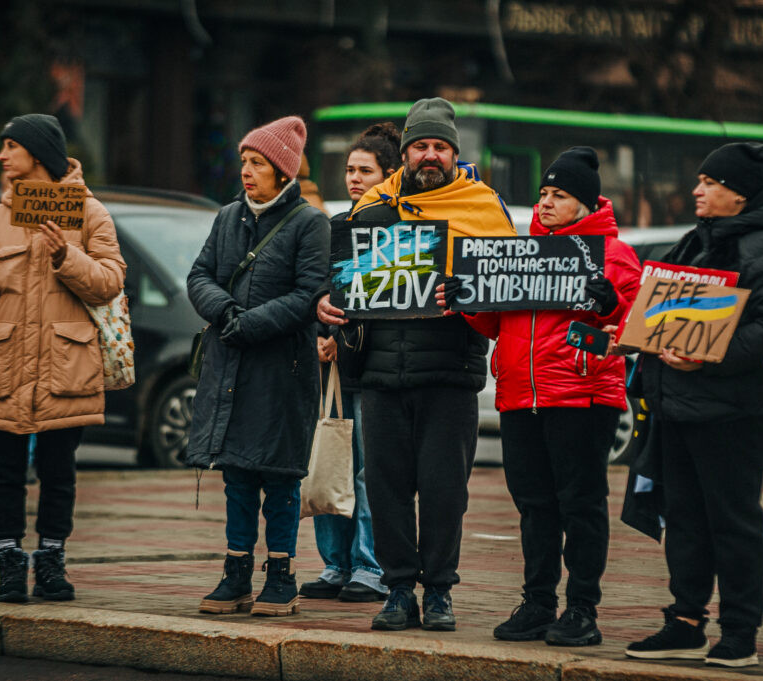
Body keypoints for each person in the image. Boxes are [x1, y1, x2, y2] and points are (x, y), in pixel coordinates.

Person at [316, 97, 516, 632]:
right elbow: (339, 283)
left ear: (455, 153)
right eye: (420, 146)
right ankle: (398, 589)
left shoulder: (483, 206)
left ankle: (441, 592)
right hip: (380, 376)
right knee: (386, 490)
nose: (430, 155)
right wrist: (325, 308)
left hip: (450, 377)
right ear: (405, 154)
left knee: (446, 490)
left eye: (440, 147)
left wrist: (470, 293)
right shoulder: (368, 209)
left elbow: (506, 288)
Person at [442, 147, 642, 646]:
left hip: (581, 395)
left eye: (559, 195)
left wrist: (611, 303)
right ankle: (537, 602)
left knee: (581, 503)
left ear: (586, 204)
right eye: (543, 194)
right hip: (519, 396)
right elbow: (495, 323)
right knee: (533, 504)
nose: (545, 203)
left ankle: (582, 609)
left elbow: (636, 325)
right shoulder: (521, 251)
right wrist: (466, 299)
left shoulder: (613, 255)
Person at [624, 142, 763, 667]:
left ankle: (740, 632)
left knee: (733, 521)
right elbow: (662, 314)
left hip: (734, 412)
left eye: (709, 183)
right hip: (678, 407)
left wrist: (707, 359)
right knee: (684, 519)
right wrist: (634, 333)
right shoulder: (696, 242)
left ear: (737, 194)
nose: (697, 190)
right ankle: (685, 622)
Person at [0, 114, 127, 603]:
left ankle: (51, 560)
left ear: (37, 153)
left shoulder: (88, 212)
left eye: (11, 146)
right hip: (3, 364)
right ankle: (9, 561)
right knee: (4, 473)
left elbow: (111, 280)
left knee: (59, 472)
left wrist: (64, 257)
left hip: (64, 366)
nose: (1, 155)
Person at [187, 116, 330, 617]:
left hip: (282, 371)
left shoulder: (309, 222)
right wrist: (225, 312)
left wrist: (251, 324)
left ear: (283, 171)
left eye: (258, 163)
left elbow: (311, 292)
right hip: (230, 368)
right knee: (237, 475)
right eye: (244, 161)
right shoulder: (228, 217)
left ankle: (282, 576)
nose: (246, 171)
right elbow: (200, 274)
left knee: (279, 476)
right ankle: (236, 575)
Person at [299, 123, 401, 603]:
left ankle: (370, 567)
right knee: (331, 462)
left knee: (367, 473)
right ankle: (334, 566)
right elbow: (322, 292)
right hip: (337, 369)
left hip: (376, 369)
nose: (354, 178)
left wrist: (348, 341)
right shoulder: (336, 225)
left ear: (389, 175)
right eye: (349, 170)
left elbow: (392, 305)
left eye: (366, 170)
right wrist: (323, 335)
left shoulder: (403, 230)